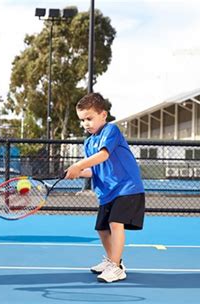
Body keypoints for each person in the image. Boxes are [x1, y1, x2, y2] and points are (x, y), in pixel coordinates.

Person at [65, 92, 145, 283]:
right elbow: (95, 170)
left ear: (103, 114)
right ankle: (112, 261)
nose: (86, 123)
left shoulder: (111, 130)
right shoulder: (88, 142)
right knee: (102, 229)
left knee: (115, 223)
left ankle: (116, 268)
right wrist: (78, 171)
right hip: (107, 192)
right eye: (82, 120)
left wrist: (79, 165)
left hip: (127, 187)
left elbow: (103, 156)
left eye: (89, 118)